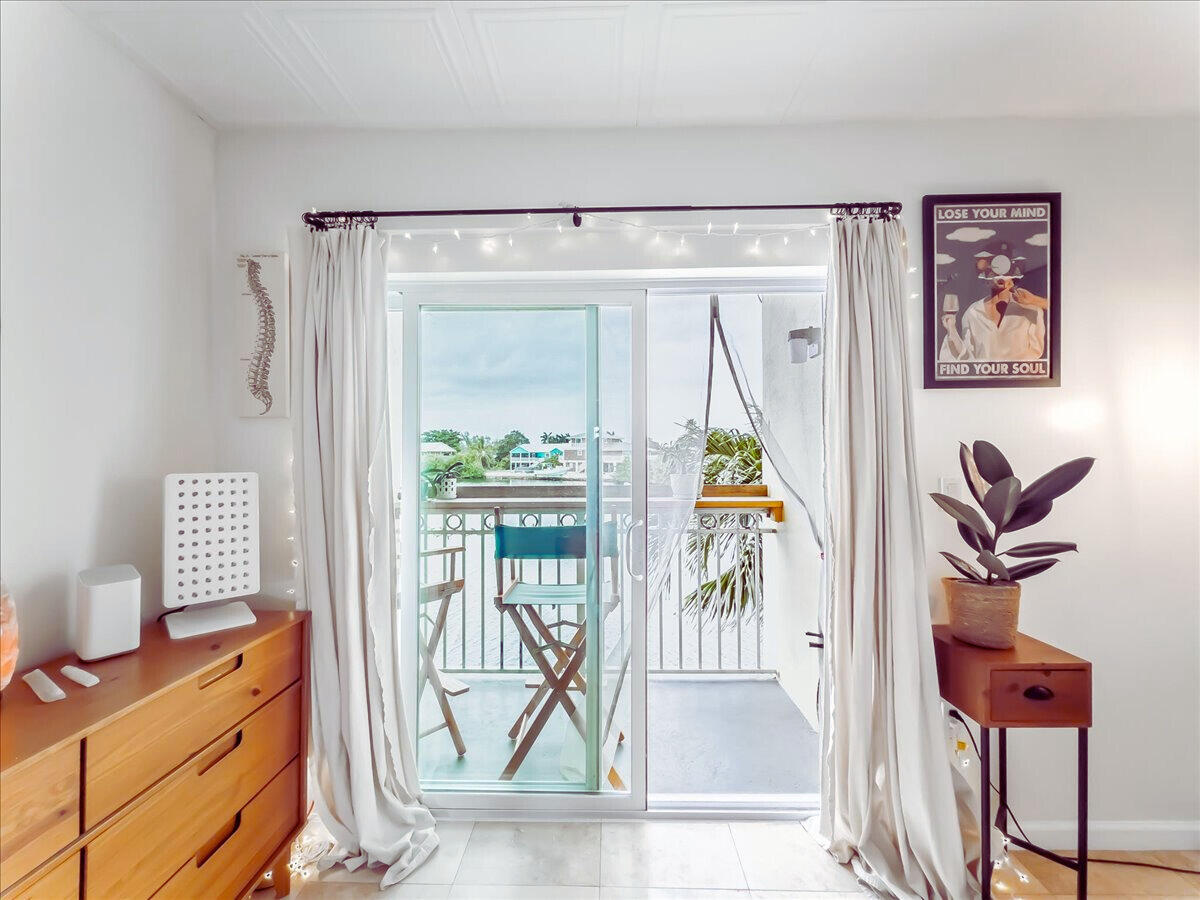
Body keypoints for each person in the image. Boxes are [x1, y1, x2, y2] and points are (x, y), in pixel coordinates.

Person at [939, 244, 1047, 362]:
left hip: (1021, 374)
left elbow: (1036, 354)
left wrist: (1035, 300)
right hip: (984, 374)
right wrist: (952, 330)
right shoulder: (973, 312)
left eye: (1005, 268)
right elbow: (968, 359)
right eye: (994, 269)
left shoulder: (1032, 310)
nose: (1000, 275)